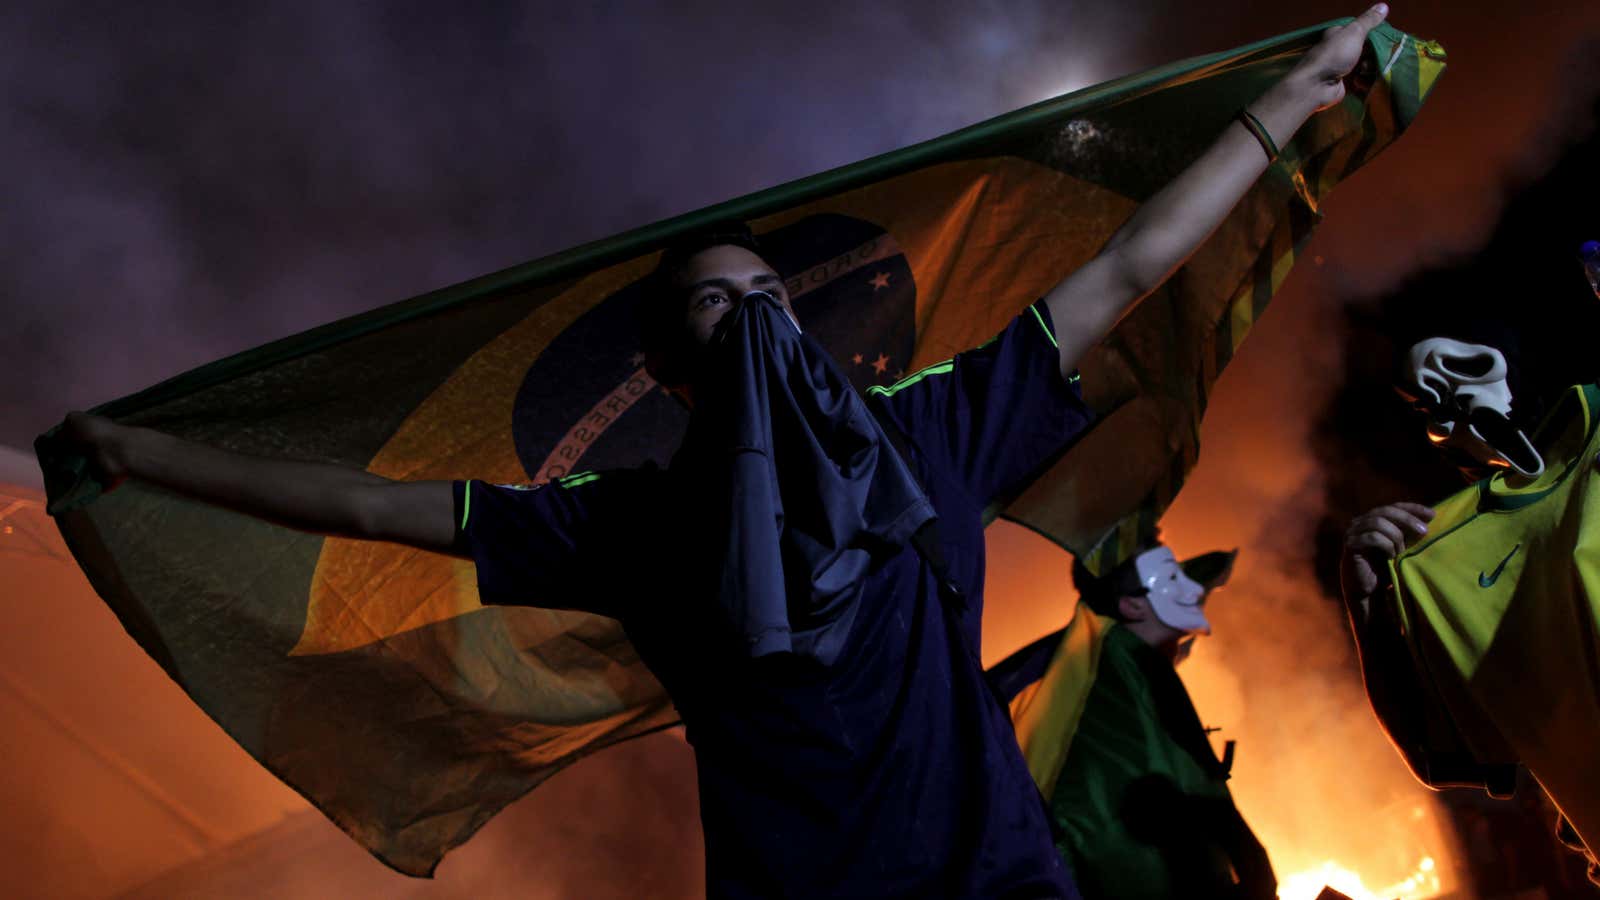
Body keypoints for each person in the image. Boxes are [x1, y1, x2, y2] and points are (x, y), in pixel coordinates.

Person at [57, 9, 1387, 897]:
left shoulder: (928, 435)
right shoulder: (630, 523)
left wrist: (1293, 102)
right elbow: (367, 503)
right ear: (675, 376)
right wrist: (150, 457)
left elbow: (1132, 267)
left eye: (771, 296)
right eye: (714, 305)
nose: (755, 316)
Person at [1340, 323, 1600, 884]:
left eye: (1468, 367)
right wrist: (1368, 605)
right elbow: (1440, 754)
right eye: (1429, 405)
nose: (1452, 406)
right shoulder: (1451, 555)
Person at [989, 545, 1276, 899]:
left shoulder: (1130, 664)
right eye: (1173, 578)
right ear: (1132, 605)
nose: (1189, 588)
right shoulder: (1111, 683)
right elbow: (1112, 837)